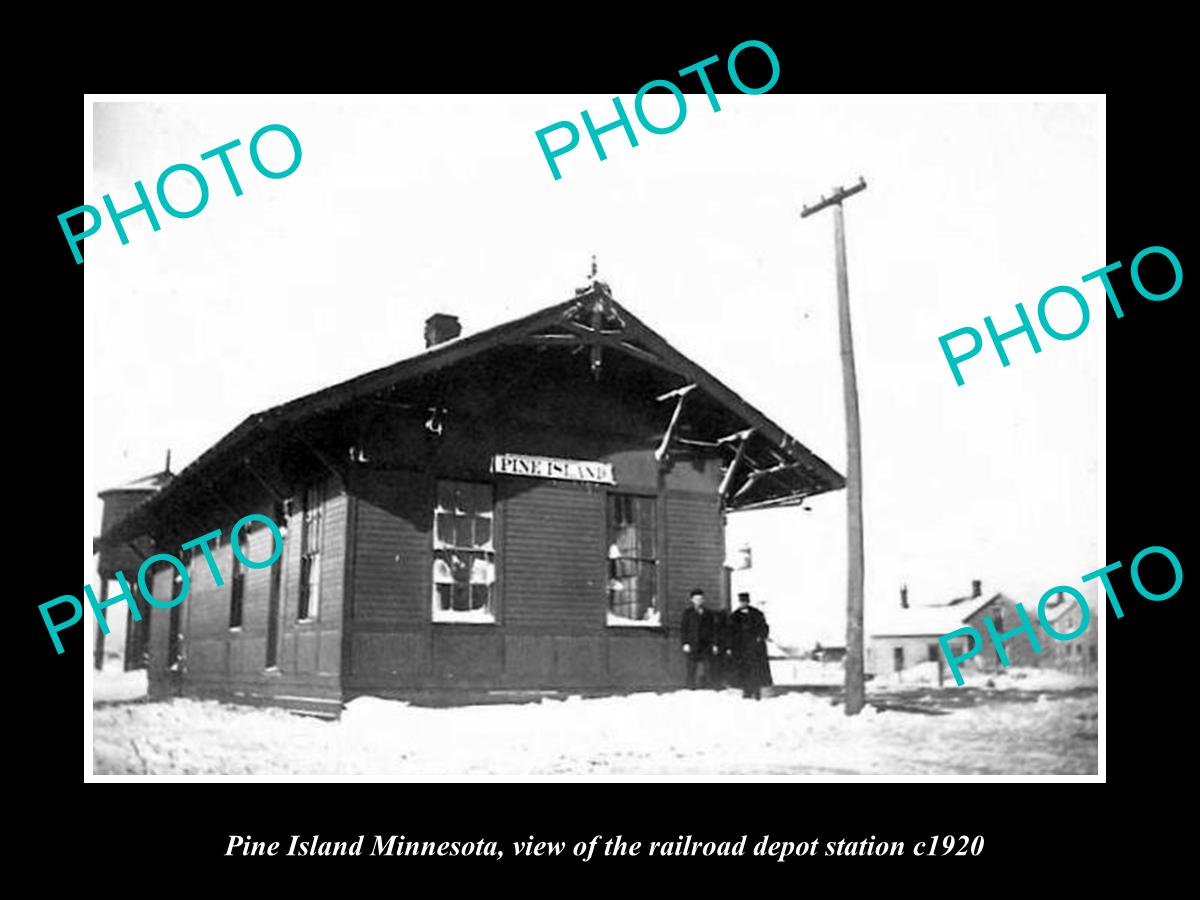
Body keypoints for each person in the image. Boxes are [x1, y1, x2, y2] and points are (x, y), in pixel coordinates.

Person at [728, 592, 772, 700]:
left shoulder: (757, 614)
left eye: (745, 601)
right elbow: (730, 632)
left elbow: (764, 627)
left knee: (756, 670)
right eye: (741, 601)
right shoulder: (734, 616)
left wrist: (761, 636)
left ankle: (757, 691)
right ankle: (746, 691)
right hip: (741, 648)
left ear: (748, 602)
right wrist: (731, 646)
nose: (743, 603)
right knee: (744, 670)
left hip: (755, 648)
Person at [679, 588, 718, 688]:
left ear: (703, 600)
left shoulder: (709, 613)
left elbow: (713, 629)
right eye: (696, 599)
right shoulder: (688, 613)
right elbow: (684, 629)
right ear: (692, 600)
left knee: (708, 667)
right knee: (691, 668)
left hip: (706, 645)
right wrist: (685, 643)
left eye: (700, 599)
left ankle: (709, 687)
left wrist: (714, 644)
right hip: (693, 644)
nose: (698, 601)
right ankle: (690, 687)